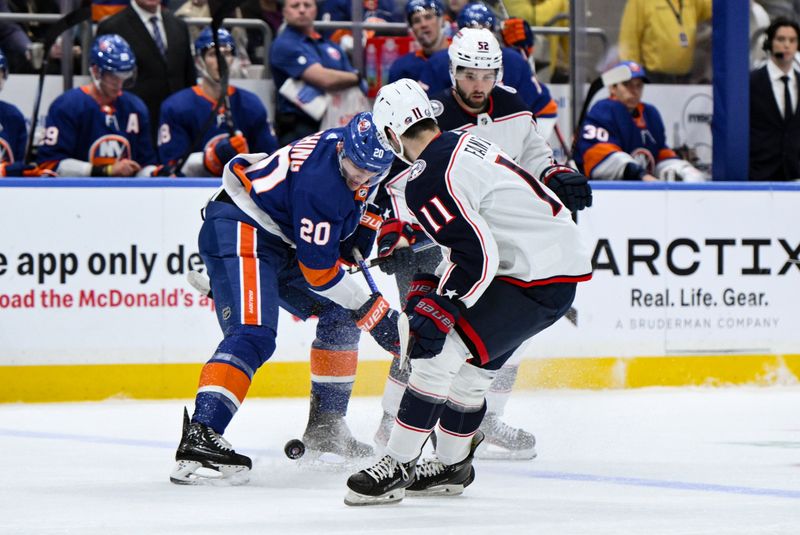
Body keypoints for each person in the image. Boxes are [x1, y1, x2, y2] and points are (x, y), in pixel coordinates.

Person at [344, 79, 593, 505]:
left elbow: (478, 256)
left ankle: (397, 464)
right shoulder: (461, 143)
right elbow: (477, 236)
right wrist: (433, 280)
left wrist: (441, 302)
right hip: (548, 269)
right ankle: (451, 466)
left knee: (435, 352)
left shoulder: (426, 175)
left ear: (390, 135)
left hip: (531, 277)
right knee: (471, 374)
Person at [170, 112, 401, 484]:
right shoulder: (320, 185)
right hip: (243, 227)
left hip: (279, 239)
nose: (360, 176)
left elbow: (367, 200)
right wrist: (373, 310)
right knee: (254, 333)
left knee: (341, 315)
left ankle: (326, 424)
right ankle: (202, 434)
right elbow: (320, 273)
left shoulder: (363, 158)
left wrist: (365, 232)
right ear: (343, 147)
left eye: (371, 172)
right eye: (355, 167)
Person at [418, 2, 558, 136]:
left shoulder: (513, 60)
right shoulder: (439, 62)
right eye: (470, 75)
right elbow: (425, 117)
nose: (479, 44)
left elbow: (545, 110)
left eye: (483, 30)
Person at [157, 27, 277, 177]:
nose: (221, 60)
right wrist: (210, 159)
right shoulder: (176, 107)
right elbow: (171, 169)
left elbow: (271, 160)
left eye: (226, 54)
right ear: (198, 61)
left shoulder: (251, 104)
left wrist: (248, 160)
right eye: (213, 54)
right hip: (191, 192)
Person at [36, 34, 159, 177]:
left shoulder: (135, 108)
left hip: (126, 195)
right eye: (113, 77)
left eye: (124, 76)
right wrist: (106, 171)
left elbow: (146, 163)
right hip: (77, 194)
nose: (119, 84)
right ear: (95, 71)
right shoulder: (66, 106)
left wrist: (158, 173)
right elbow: (50, 164)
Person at [574, 60, 707, 182]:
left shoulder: (650, 113)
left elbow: (660, 153)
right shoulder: (603, 110)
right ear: (612, 88)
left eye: (638, 85)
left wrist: (680, 169)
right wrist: (641, 175)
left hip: (641, 192)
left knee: (691, 174)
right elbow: (599, 158)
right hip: (604, 194)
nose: (634, 91)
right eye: (627, 85)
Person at [96, 0, 196, 142]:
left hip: (176, 127)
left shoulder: (179, 25)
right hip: (134, 126)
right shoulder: (112, 27)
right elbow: (103, 84)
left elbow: (188, 78)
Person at [269, 0, 362, 146]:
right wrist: (355, 77)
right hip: (300, 130)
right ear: (284, 11)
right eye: (295, 6)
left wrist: (353, 79)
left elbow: (359, 85)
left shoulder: (330, 46)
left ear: (315, 10)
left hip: (337, 123)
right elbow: (324, 79)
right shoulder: (283, 45)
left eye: (307, 5)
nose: (301, 10)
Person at [750, 17, 800, 180]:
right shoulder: (751, 83)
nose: (786, 45)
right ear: (770, 42)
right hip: (760, 174)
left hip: (795, 174)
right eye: (781, 39)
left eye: (792, 40)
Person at [618, 0, 712, 84]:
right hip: (652, 78)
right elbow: (629, 40)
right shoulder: (640, 2)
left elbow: (716, 7)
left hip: (683, 79)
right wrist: (631, 75)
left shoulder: (693, 2)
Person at [387, 0, 450, 83]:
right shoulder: (401, 67)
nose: (423, 24)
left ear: (442, 21)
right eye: (416, 21)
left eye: (428, 17)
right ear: (411, 28)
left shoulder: (461, 56)